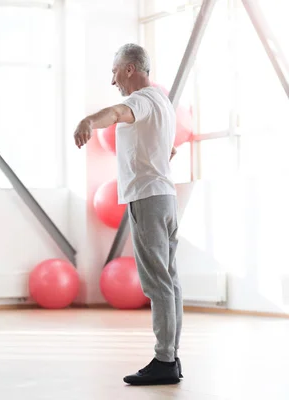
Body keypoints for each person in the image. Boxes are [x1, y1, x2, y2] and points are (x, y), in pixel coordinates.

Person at [73, 43, 183, 385]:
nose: (113, 80)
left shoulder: (140, 101)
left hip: (149, 200)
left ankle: (164, 360)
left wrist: (89, 120)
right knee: (170, 282)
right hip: (165, 197)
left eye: (115, 72)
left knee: (158, 284)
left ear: (130, 69)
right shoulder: (162, 102)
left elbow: (118, 112)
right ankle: (171, 357)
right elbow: (170, 149)